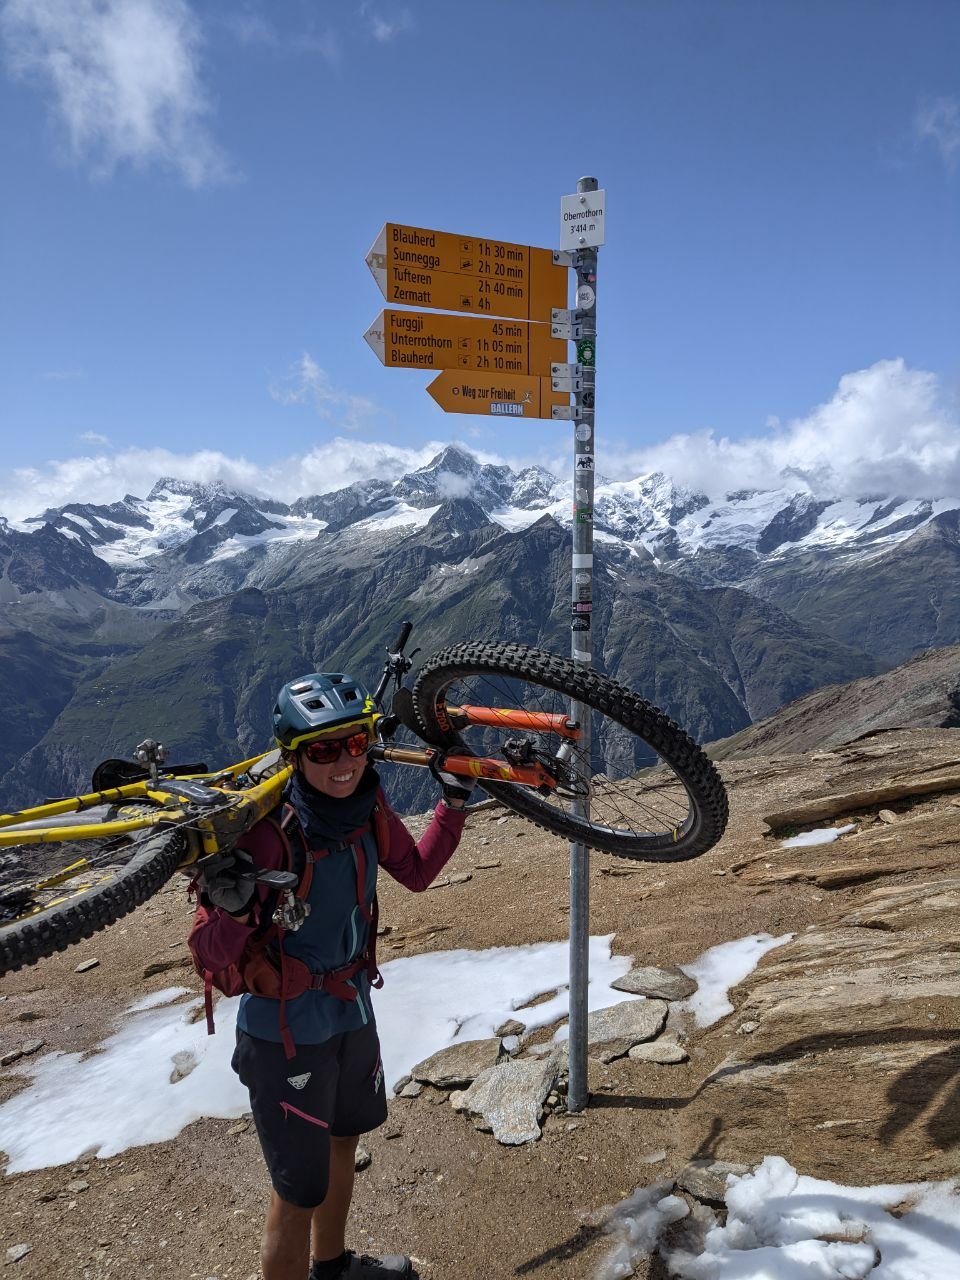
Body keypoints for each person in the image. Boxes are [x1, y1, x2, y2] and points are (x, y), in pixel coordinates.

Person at [190, 671, 473, 1280]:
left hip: (351, 1012)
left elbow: (415, 872)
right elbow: (208, 953)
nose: (344, 763)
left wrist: (452, 804)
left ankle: (333, 1267)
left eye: (356, 743)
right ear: (294, 757)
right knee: (297, 1191)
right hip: (284, 1033)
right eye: (322, 750)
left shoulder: (367, 808)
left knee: (345, 1140)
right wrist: (237, 912)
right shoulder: (266, 837)